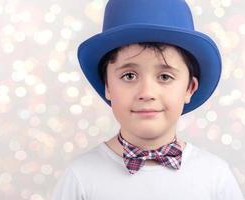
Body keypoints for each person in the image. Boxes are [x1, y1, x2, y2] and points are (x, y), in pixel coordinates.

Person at [51, 0, 245, 199]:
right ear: (107, 86)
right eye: (129, 76)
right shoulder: (81, 177)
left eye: (165, 77)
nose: (147, 92)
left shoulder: (215, 176)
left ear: (189, 88)